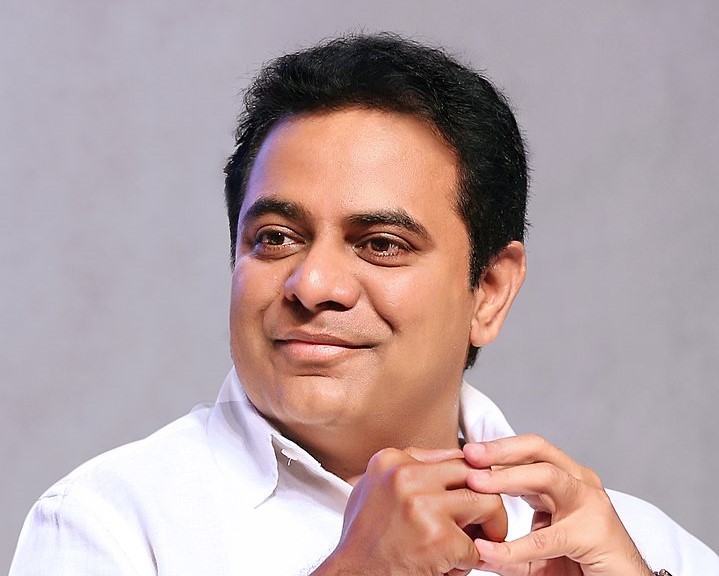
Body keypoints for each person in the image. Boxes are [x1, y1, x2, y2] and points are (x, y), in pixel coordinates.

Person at [10, 33, 718, 576]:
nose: (312, 284)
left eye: (380, 244)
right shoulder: (106, 526)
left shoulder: (642, 551)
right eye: (275, 237)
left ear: (489, 292)